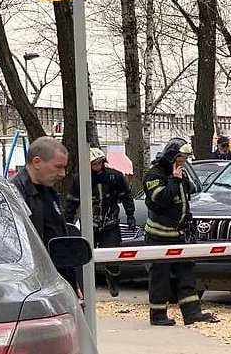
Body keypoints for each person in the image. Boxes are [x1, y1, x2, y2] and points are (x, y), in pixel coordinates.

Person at [143, 137, 218, 326]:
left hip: (180, 236)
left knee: (187, 274)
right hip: (159, 237)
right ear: (171, 157)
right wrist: (175, 181)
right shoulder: (154, 175)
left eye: (184, 158)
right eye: (180, 158)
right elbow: (161, 200)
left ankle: (192, 313)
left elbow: (186, 197)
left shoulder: (180, 173)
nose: (183, 162)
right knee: (160, 277)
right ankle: (158, 316)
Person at [10, 136, 80, 296]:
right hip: (32, 289)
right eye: (58, 167)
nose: (62, 174)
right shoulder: (14, 195)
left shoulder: (49, 192)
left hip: (56, 284)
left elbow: (59, 240)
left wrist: (72, 283)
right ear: (37, 162)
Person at [65, 147, 136, 298]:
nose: (97, 166)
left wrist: (130, 215)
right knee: (85, 255)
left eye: (99, 163)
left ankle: (113, 279)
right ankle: (84, 286)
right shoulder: (80, 179)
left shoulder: (115, 177)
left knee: (112, 255)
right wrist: (68, 223)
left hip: (110, 223)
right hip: (89, 223)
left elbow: (126, 196)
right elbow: (71, 202)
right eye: (93, 164)